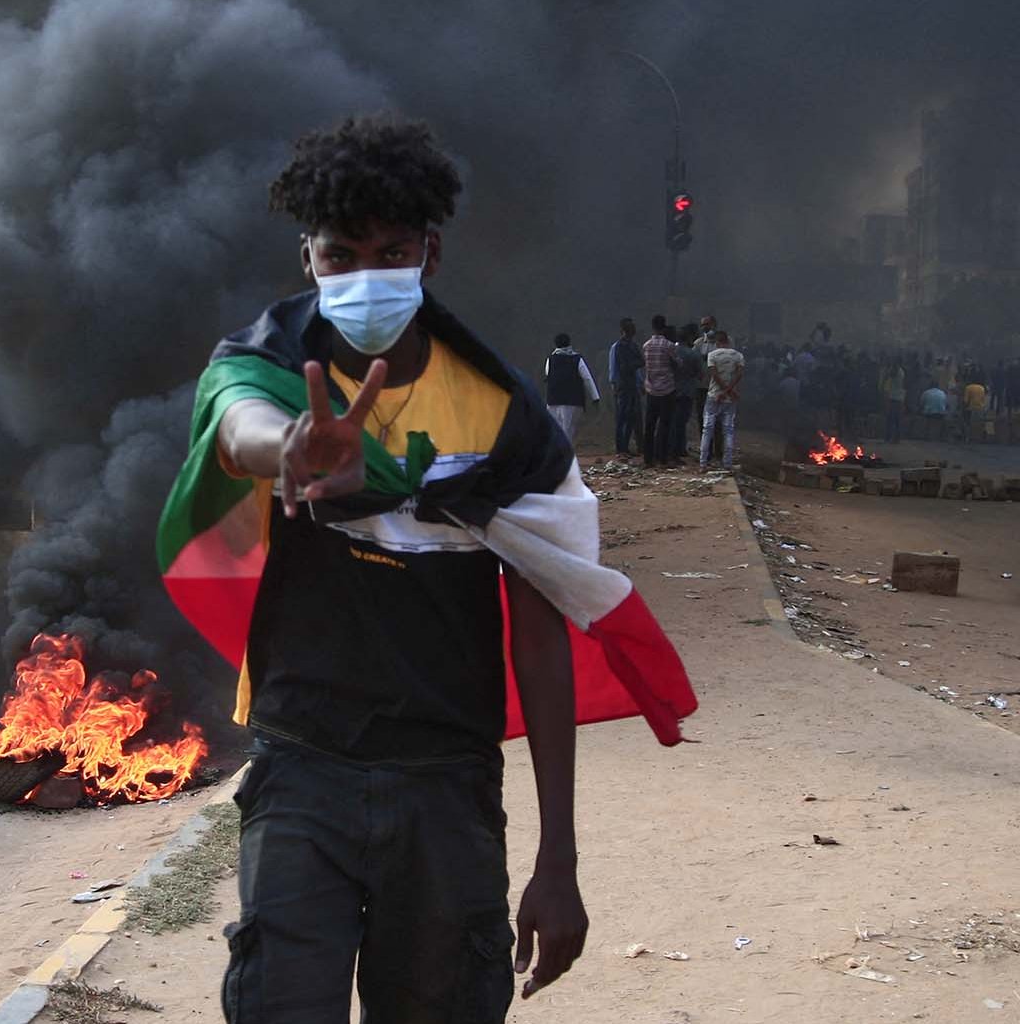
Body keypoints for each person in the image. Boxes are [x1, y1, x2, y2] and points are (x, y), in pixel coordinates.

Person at [154, 115, 696, 1022]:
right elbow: (236, 418)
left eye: (390, 250)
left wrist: (557, 861)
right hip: (302, 767)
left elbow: (541, 630)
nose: (364, 276)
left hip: (446, 780)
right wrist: (290, 446)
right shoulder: (270, 363)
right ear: (308, 260)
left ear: (430, 254)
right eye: (340, 255)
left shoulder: (503, 415)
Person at [543, 334, 601, 448]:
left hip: (553, 400)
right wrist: (595, 397)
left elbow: (547, 374)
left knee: (556, 430)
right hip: (573, 400)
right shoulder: (577, 359)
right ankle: (566, 457)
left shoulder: (550, 359)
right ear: (569, 343)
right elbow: (587, 378)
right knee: (568, 430)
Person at [700, 331, 744, 470]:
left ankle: (703, 463)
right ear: (728, 341)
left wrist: (722, 391)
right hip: (730, 399)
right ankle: (727, 464)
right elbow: (739, 374)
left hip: (713, 395)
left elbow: (714, 375)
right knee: (728, 430)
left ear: (717, 343)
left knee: (707, 429)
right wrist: (729, 391)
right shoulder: (738, 356)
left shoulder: (712, 355)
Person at [642, 315, 677, 467]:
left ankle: (648, 459)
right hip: (667, 388)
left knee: (649, 424)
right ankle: (662, 458)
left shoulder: (646, 345)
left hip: (651, 388)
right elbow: (678, 363)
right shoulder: (669, 345)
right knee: (664, 424)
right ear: (664, 327)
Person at [607, 318, 642, 457]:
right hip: (623, 385)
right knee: (623, 417)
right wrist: (614, 383)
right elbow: (615, 368)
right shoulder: (619, 347)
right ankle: (621, 448)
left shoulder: (630, 346)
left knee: (629, 416)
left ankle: (624, 447)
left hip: (629, 384)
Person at [671, 324, 703, 464]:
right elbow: (700, 374)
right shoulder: (693, 354)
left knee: (672, 420)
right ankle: (678, 449)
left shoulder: (671, 351)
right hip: (687, 391)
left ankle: (674, 447)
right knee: (682, 421)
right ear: (690, 338)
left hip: (671, 390)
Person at [883, 357, 906, 443]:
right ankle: (893, 438)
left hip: (895, 398)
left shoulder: (897, 371)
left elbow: (889, 375)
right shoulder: (900, 371)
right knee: (894, 419)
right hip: (897, 398)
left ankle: (891, 437)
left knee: (892, 419)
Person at [964, 376, 989, 443]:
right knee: (980, 423)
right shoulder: (982, 388)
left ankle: (967, 438)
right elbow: (983, 400)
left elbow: (966, 401)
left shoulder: (968, 387)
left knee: (968, 423)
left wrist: (964, 408)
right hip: (981, 408)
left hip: (971, 408)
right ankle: (980, 436)